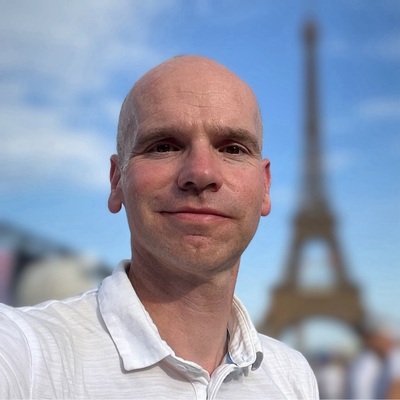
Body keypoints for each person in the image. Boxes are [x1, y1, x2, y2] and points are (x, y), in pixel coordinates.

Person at [0, 55, 319, 399]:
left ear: (265, 187)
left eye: (232, 148)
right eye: (164, 146)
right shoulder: (25, 354)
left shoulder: (294, 376)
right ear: (117, 181)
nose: (201, 173)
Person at [347, 321, 400, 399]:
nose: (369, 342)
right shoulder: (383, 360)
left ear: (383, 338)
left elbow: (396, 390)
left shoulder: (395, 358)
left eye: (372, 338)